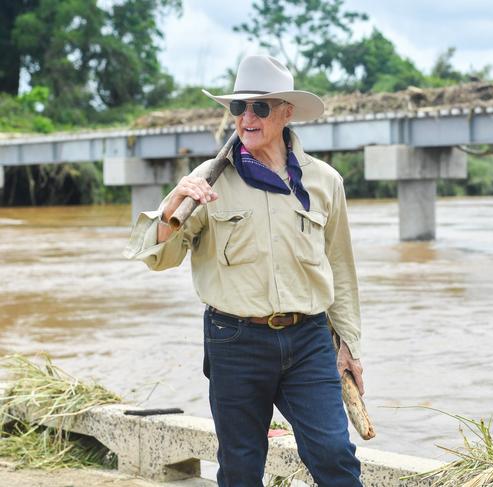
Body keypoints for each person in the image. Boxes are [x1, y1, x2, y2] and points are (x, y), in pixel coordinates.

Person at [124, 54, 364, 486]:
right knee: (239, 465)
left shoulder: (325, 181)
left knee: (335, 455)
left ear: (287, 112)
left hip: (310, 339)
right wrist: (172, 204)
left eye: (260, 107)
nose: (247, 117)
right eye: (239, 108)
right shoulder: (206, 180)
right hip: (235, 339)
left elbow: (341, 270)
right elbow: (158, 258)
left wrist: (349, 347)